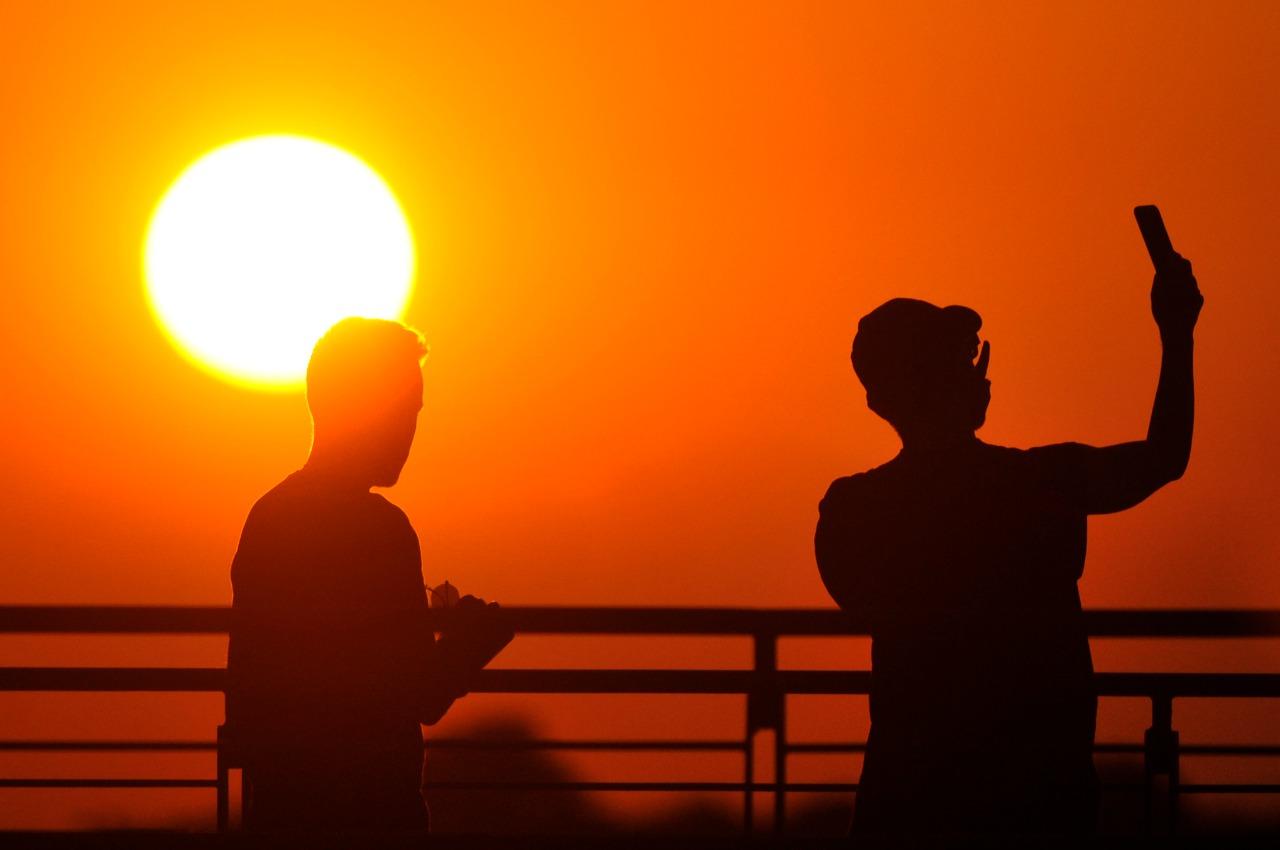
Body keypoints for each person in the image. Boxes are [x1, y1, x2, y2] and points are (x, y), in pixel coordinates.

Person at [815, 253, 1203, 835]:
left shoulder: (851, 509)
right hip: (1039, 797)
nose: (982, 374)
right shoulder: (1041, 482)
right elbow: (1164, 455)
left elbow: (877, 607)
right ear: (948, 383)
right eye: (966, 363)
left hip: (908, 797)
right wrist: (1177, 335)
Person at [226, 317, 511, 831]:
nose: (410, 428)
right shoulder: (383, 532)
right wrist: (471, 643)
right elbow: (418, 694)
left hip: (283, 811)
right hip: (375, 812)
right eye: (403, 409)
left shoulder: (268, 517)